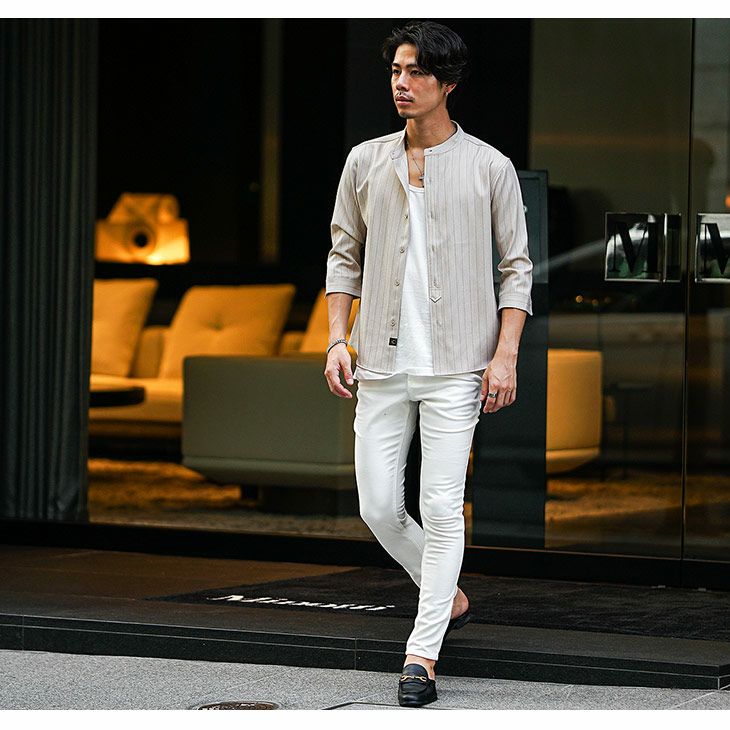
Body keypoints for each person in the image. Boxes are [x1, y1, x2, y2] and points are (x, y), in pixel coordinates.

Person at [323, 20, 533, 708]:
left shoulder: (490, 167)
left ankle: (422, 654)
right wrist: (337, 338)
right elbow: (343, 255)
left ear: (447, 83)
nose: (402, 84)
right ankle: (450, 596)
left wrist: (504, 356)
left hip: (457, 365)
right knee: (378, 506)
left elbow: (516, 269)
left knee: (441, 505)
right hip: (381, 361)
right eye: (395, 71)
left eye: (415, 72)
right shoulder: (364, 161)